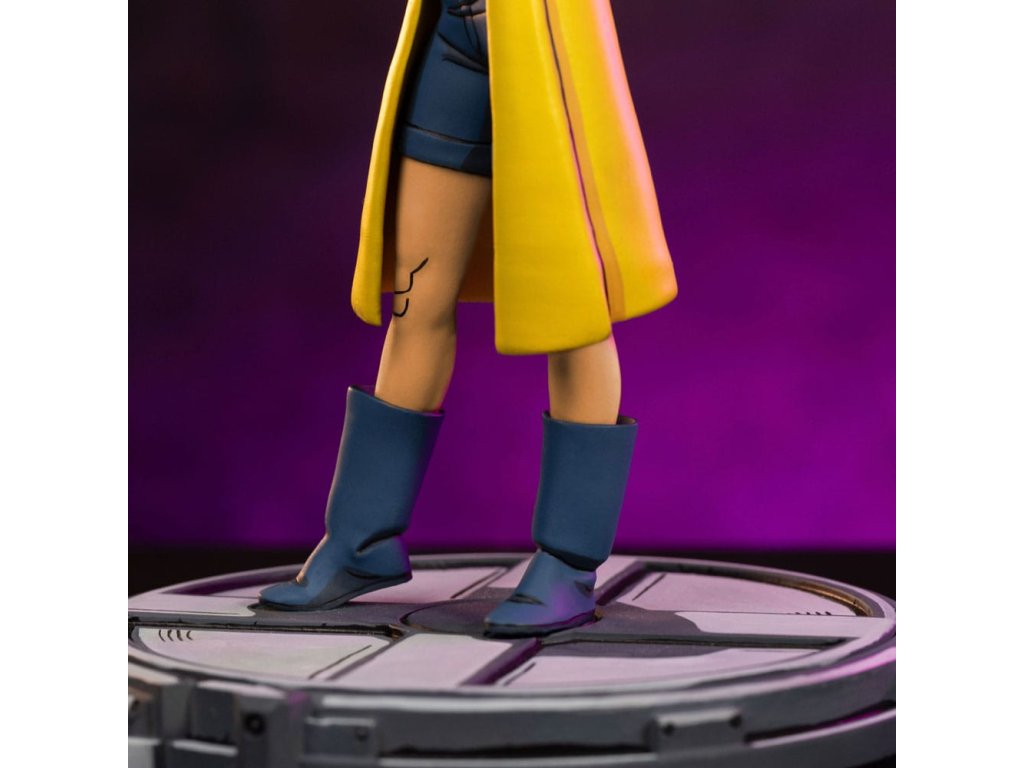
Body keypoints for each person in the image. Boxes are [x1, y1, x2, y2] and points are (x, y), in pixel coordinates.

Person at [258, 0, 677, 636]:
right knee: (416, 295)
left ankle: (568, 561)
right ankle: (361, 540)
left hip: (546, 39)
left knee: (574, 306)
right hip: (454, 36)